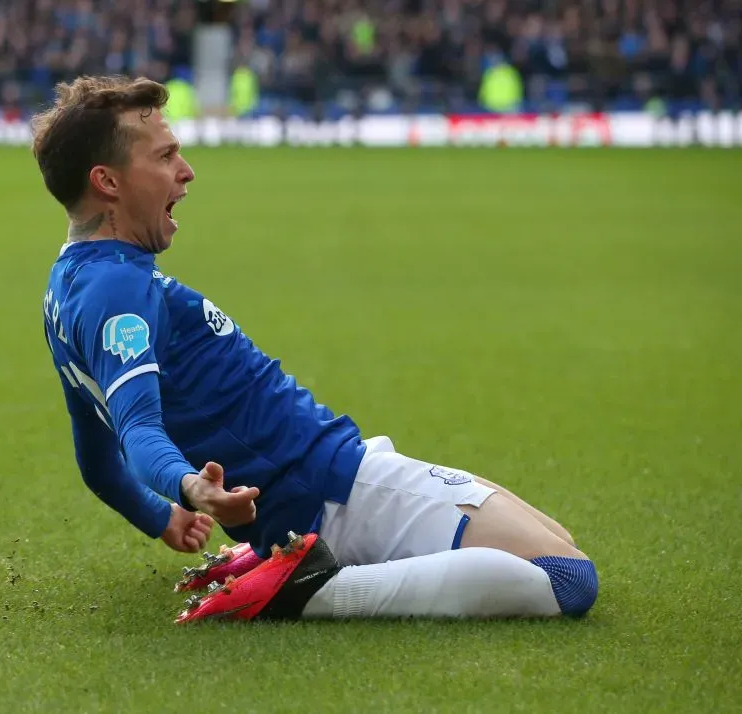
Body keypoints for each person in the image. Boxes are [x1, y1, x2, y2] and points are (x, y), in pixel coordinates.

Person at [32, 75, 599, 623]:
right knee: (567, 577)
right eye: (163, 157)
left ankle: (282, 557)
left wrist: (163, 519)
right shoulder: (119, 290)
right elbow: (135, 432)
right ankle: (307, 587)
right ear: (107, 182)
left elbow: (97, 458)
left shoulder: (67, 290)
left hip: (325, 477)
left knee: (557, 540)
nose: (186, 171)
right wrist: (190, 489)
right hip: (332, 490)